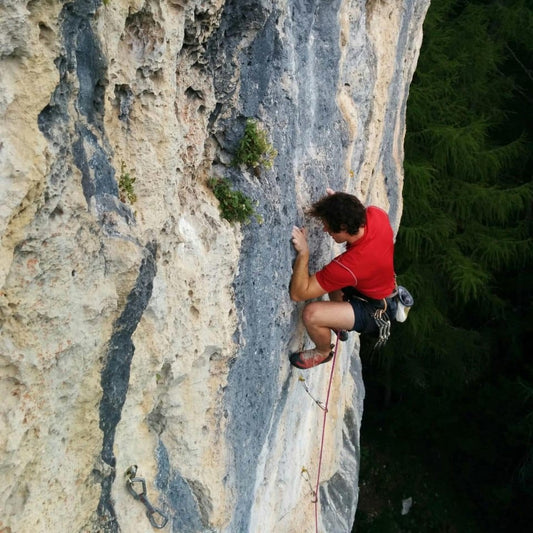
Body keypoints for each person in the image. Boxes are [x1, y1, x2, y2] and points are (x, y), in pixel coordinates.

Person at [289, 188, 396, 369]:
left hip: (375, 311)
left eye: (329, 228)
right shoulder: (376, 215)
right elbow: (355, 208)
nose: (325, 230)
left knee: (311, 314)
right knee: (332, 280)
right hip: (376, 285)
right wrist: (337, 203)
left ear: (344, 228)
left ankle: (322, 352)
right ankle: (339, 324)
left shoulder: (349, 266)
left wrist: (304, 253)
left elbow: (299, 294)